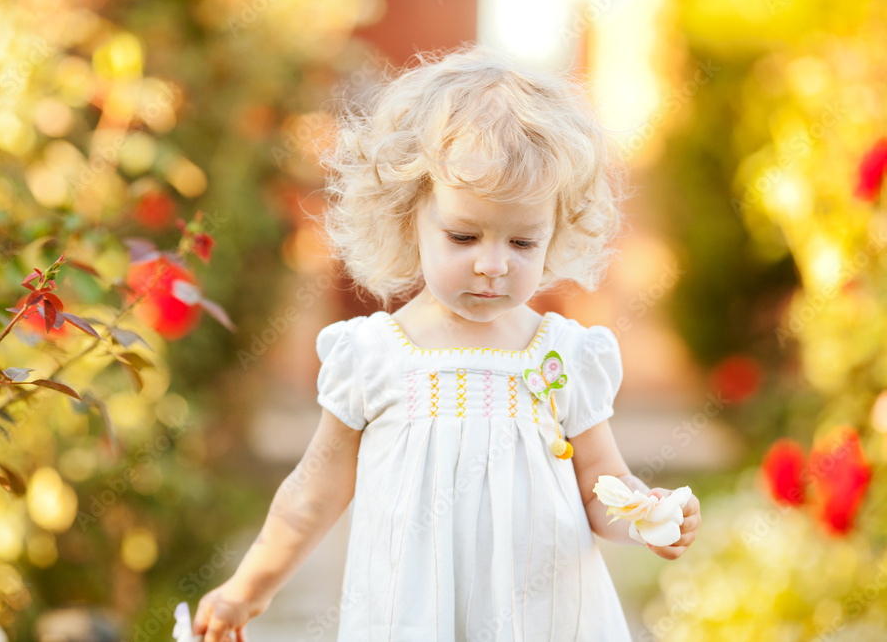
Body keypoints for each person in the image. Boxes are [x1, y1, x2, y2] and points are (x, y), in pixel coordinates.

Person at [193, 44, 701, 642]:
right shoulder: (375, 356)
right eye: (464, 236)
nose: (493, 265)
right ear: (409, 215)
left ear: (554, 232)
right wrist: (245, 588)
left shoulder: (562, 356)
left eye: (521, 243)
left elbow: (601, 487)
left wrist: (646, 517)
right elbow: (314, 488)